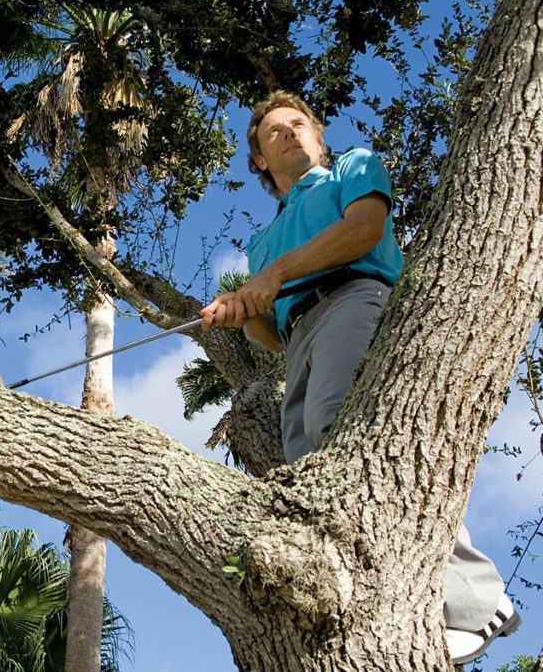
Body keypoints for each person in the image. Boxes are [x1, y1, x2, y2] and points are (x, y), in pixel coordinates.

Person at [199, 91, 519, 665]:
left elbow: (366, 230)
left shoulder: (353, 166)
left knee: (345, 436)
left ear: (319, 136)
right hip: (300, 337)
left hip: (355, 296)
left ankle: (479, 600)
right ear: (260, 162)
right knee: (308, 475)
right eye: (275, 132)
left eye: (300, 124)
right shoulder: (261, 242)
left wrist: (274, 276)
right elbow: (270, 330)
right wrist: (245, 314)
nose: (291, 133)